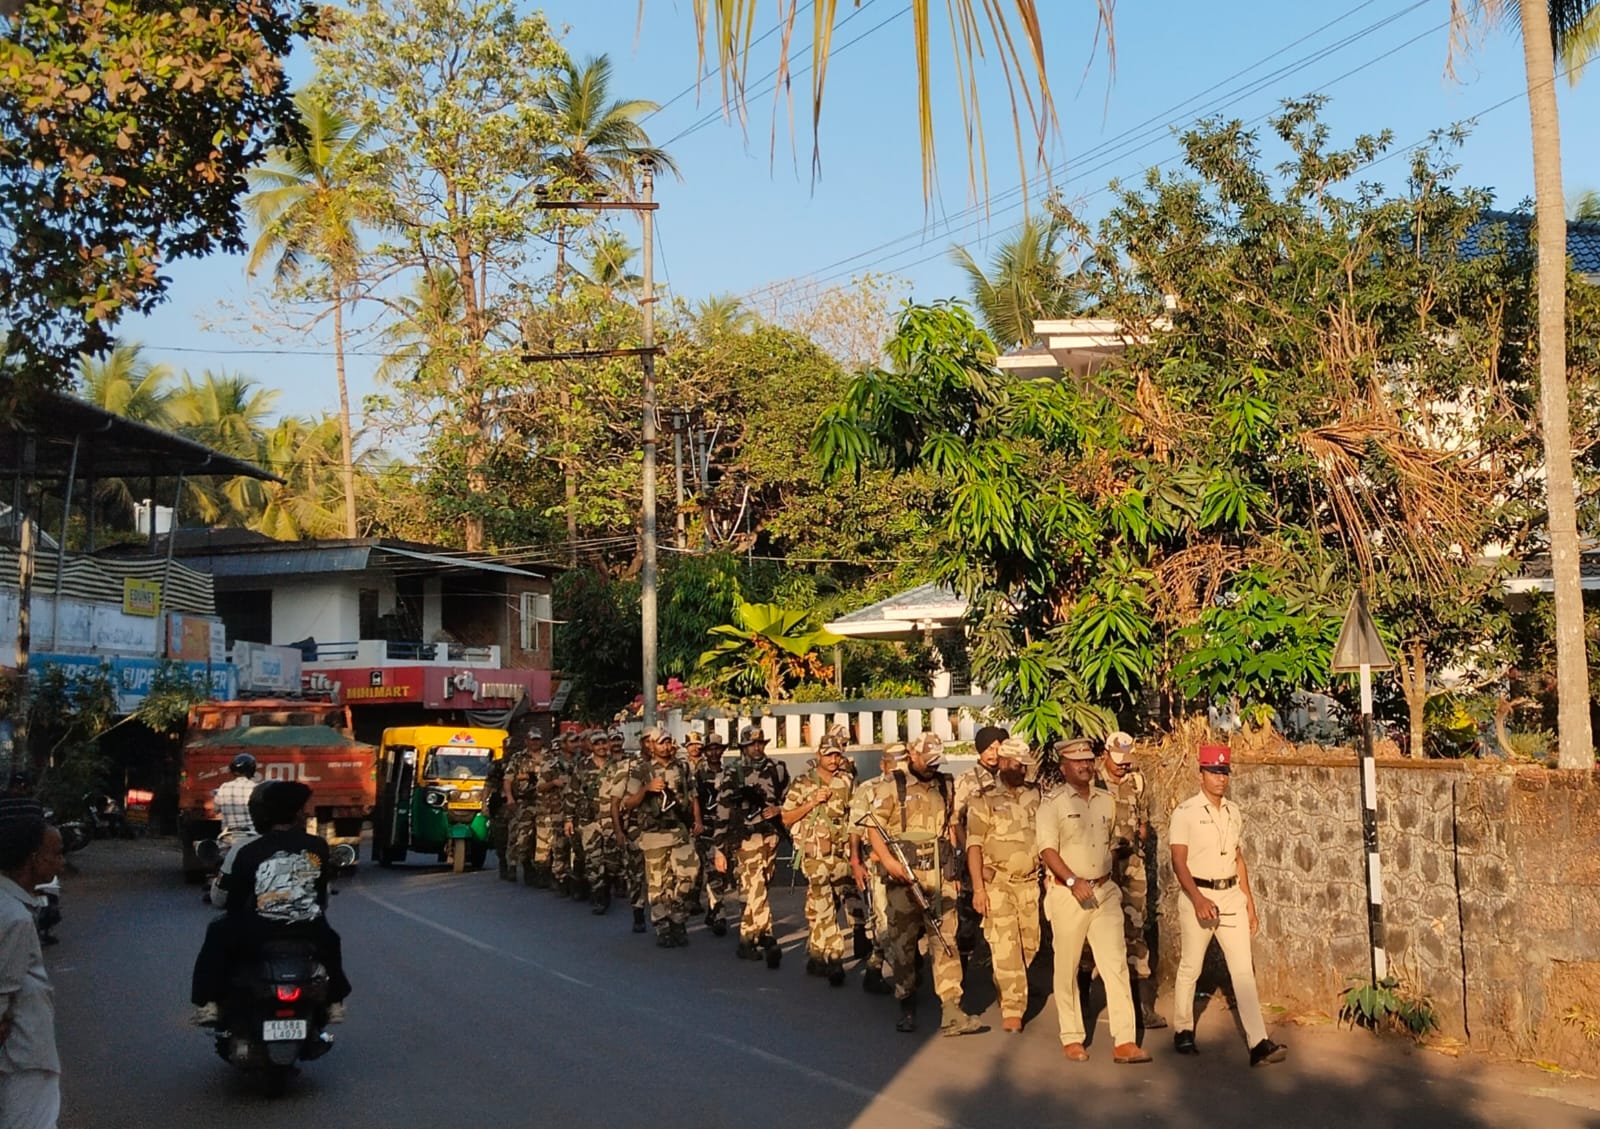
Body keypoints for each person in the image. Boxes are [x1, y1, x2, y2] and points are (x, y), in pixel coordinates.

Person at [190, 780, 351, 1026]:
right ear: (296, 813)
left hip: (256, 930)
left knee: (216, 932)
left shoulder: (247, 850)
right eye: (303, 808)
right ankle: (334, 1002)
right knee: (332, 941)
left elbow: (227, 899)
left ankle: (208, 1003)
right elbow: (322, 897)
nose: (306, 813)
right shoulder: (317, 846)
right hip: (309, 929)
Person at [1169, 742, 1287, 1067]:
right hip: (1199, 896)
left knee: (1242, 971)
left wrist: (1249, 901)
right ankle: (1182, 1029)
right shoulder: (1185, 813)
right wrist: (1197, 898)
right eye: (1214, 772)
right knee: (1191, 966)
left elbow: (1238, 858)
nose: (1221, 778)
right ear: (1201, 774)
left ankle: (1258, 1042)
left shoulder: (1233, 811)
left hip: (1230, 896)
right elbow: (1178, 862)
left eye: (1224, 772)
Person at [1035, 736, 1150, 1065]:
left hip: (1104, 891)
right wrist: (1072, 880)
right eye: (1077, 761)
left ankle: (1124, 1040)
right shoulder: (1052, 803)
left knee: (1115, 965)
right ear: (1064, 767)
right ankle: (1072, 1036)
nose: (1085, 765)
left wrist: (1105, 879)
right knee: (1067, 966)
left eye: (1088, 759)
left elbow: (1110, 841)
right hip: (1068, 893)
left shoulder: (1105, 800)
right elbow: (1047, 850)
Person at [861, 733, 983, 1036]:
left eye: (935, 762)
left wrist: (955, 872)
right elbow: (872, 826)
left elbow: (951, 827)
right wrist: (888, 862)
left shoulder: (946, 784)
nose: (931, 768)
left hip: (939, 875)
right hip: (903, 874)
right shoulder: (892, 785)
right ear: (912, 755)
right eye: (926, 761)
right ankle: (907, 1004)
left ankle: (952, 1009)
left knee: (946, 940)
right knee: (904, 944)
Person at [965, 735, 1042, 1033]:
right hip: (997, 883)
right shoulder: (983, 798)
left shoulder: (1036, 795)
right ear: (1005, 763)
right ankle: (1013, 1008)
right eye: (1019, 765)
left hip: (1030, 884)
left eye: (1025, 766)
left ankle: (1007, 984)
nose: (1023, 771)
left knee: (1029, 946)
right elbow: (974, 846)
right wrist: (978, 889)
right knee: (1005, 944)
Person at [1097, 730, 1166, 1029]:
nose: (1123, 765)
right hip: (1101, 866)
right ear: (1105, 754)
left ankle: (1143, 1007)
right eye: (1118, 760)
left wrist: (1139, 839)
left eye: (1127, 760)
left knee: (1136, 930)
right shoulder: (1093, 783)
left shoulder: (1137, 784)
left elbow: (1144, 823)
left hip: (1132, 866)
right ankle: (1092, 996)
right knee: (1099, 934)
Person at [0, 817, 63, 1129]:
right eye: (55, 853)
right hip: (23, 1052)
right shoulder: (15, 918)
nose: (60, 863)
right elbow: (3, 993)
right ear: (32, 859)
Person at [712, 725, 790, 967]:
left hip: (771, 836)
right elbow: (722, 812)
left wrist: (780, 811)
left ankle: (752, 936)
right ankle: (763, 938)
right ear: (743, 747)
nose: (757, 748)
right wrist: (719, 848)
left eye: (760, 743)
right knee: (755, 885)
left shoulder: (777, 769)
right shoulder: (732, 774)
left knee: (762, 884)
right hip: (746, 838)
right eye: (751, 744)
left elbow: (788, 798)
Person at [781, 739, 855, 986]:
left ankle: (816, 953)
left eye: (837, 755)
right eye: (828, 755)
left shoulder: (846, 781)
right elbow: (786, 817)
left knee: (828, 903)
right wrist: (811, 802)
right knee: (823, 900)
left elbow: (854, 814)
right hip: (813, 854)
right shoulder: (803, 783)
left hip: (839, 852)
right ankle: (834, 956)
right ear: (819, 755)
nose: (833, 760)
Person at [620, 728, 702, 948]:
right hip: (654, 833)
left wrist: (697, 821)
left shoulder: (682, 766)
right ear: (651, 746)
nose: (665, 746)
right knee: (657, 883)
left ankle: (677, 915)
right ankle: (662, 926)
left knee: (690, 874)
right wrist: (646, 789)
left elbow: (693, 795)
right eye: (660, 742)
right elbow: (628, 803)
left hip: (679, 830)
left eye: (668, 742)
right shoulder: (641, 770)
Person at [847, 746, 900, 995]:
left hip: (906, 862)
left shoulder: (909, 786)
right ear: (883, 764)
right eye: (893, 762)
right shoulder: (868, 789)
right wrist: (856, 863)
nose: (898, 768)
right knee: (883, 919)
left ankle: (875, 967)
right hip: (877, 863)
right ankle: (901, 975)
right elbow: (855, 829)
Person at [954, 725, 1009, 959]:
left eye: (998, 747)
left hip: (1001, 858)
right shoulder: (967, 779)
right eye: (989, 748)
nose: (994, 753)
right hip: (974, 855)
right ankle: (962, 973)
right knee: (967, 922)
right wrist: (966, 855)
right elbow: (955, 821)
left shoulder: (1009, 777)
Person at [565, 730, 619, 914]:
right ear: (591, 746)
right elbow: (572, 794)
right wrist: (568, 819)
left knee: (613, 862)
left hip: (612, 820)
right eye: (597, 744)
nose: (602, 747)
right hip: (589, 820)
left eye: (605, 743)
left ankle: (606, 886)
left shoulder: (617, 766)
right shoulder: (582, 766)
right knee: (593, 860)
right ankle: (599, 896)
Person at [606, 730, 650, 934]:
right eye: (648, 741)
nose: (652, 745)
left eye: (656, 741)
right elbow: (615, 803)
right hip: (635, 829)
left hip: (662, 828)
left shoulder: (674, 766)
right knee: (636, 874)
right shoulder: (630, 767)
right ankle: (639, 912)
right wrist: (619, 831)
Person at [693, 734, 731, 935]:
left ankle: (713, 907)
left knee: (724, 873)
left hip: (727, 828)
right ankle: (719, 913)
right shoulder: (698, 774)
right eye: (710, 749)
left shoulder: (730, 773)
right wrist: (697, 822)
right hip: (707, 828)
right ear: (705, 752)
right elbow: (694, 799)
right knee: (712, 871)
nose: (714, 752)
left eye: (718, 748)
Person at [503, 733, 542, 886]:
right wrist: (509, 798)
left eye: (537, 739)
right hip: (523, 802)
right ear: (527, 741)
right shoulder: (518, 758)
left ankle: (540, 871)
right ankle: (516, 864)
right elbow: (508, 779)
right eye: (532, 739)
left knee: (543, 839)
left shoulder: (549, 757)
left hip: (544, 803)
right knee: (520, 836)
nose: (535, 742)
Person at [213, 753, 258, 844]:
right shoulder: (255, 788)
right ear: (252, 770)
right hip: (251, 835)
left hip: (228, 835)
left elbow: (216, 809)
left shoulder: (224, 787)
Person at [484, 748, 513, 881]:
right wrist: (483, 803)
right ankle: (503, 862)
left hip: (515, 804)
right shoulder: (497, 765)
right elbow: (488, 785)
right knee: (500, 839)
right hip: (499, 806)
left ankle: (513, 866)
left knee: (515, 838)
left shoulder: (519, 762)